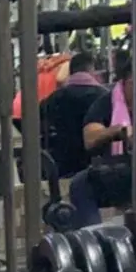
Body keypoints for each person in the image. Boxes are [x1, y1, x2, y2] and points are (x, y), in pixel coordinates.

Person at [64, 50, 134, 227]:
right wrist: (118, 130)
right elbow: (90, 137)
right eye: (134, 82)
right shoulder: (106, 101)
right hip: (121, 169)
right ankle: (93, 235)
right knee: (81, 185)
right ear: (125, 81)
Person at [39, 50, 105, 180]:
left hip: (61, 164)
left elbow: (40, 121)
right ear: (91, 69)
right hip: (94, 166)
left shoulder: (54, 98)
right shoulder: (103, 97)